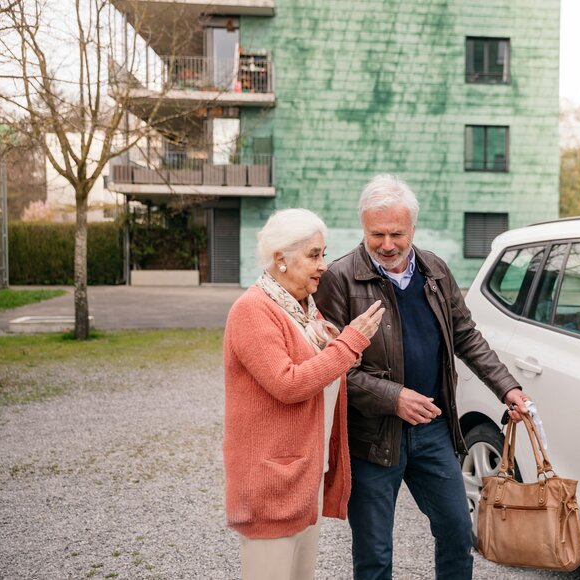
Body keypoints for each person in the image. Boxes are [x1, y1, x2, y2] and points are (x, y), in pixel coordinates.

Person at [314, 174, 531, 579]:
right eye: (376, 234)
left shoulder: (435, 270)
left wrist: (507, 387)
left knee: (456, 532)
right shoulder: (339, 279)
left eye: (397, 233)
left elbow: (466, 336)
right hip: (372, 438)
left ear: (413, 227)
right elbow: (333, 368)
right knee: (374, 552)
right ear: (363, 227)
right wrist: (393, 397)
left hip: (433, 430)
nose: (387, 245)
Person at [223, 208, 385, 580]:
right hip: (270, 484)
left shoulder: (304, 311)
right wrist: (348, 344)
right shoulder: (253, 311)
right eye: (314, 255)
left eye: (323, 254)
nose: (324, 265)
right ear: (281, 258)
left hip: (302, 476)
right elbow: (289, 384)